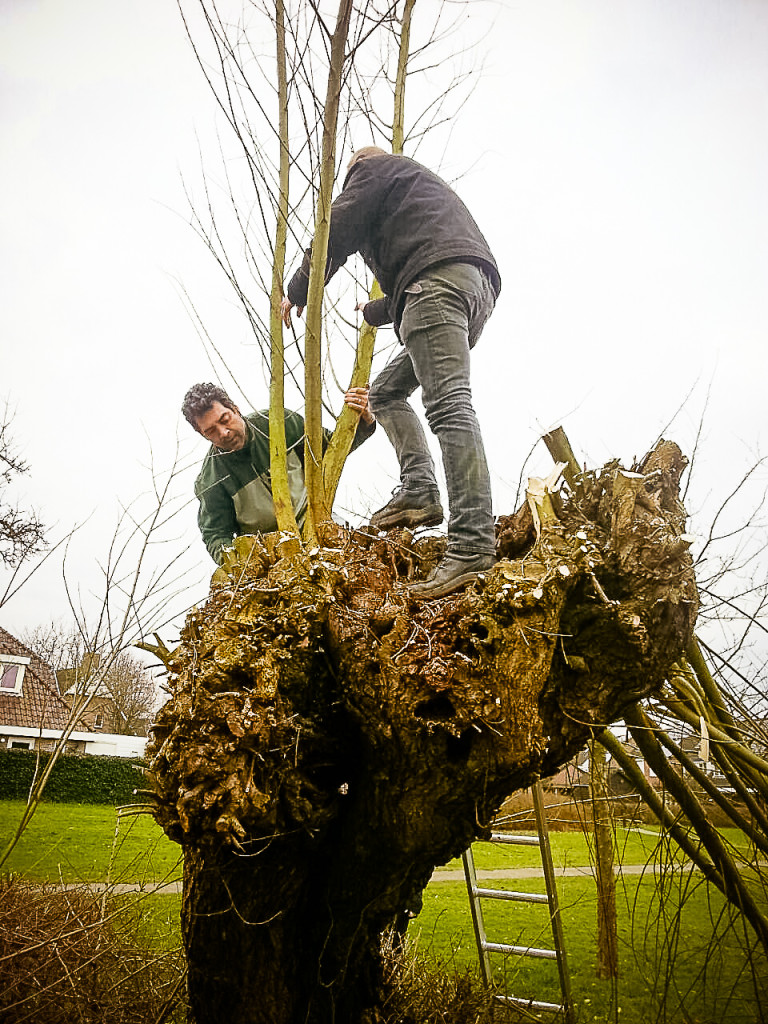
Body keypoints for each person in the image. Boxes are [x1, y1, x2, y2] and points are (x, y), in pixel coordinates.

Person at [280, 146, 501, 599]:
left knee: (449, 406)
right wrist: (372, 310)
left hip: (435, 287)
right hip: (471, 291)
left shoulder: (373, 170)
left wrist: (299, 288)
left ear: (356, 169)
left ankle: (472, 544)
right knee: (384, 393)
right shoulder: (415, 195)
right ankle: (420, 490)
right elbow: (410, 290)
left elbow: (335, 230)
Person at [183, 382, 375, 564]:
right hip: (271, 555)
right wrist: (240, 562)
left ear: (235, 408)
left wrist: (363, 421)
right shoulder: (211, 481)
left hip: (320, 523)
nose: (223, 432)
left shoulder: (279, 424)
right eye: (211, 431)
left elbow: (331, 452)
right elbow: (215, 535)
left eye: (225, 420)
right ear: (202, 435)